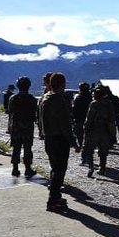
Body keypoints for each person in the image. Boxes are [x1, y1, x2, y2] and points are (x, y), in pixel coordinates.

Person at [38, 72, 79, 212]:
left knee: (55, 167)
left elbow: (40, 119)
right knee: (60, 170)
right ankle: (53, 200)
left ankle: (56, 196)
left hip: (49, 137)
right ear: (62, 84)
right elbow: (65, 124)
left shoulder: (44, 98)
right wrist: (73, 142)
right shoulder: (59, 100)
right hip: (59, 139)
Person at [82, 85, 115, 177]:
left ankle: (91, 167)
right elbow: (112, 117)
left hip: (93, 130)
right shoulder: (109, 104)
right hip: (105, 130)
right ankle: (102, 168)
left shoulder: (94, 104)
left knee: (89, 149)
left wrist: (86, 128)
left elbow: (89, 118)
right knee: (103, 151)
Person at [8, 77, 37, 177]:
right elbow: (35, 112)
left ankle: (15, 169)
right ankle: (28, 169)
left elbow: (10, 112)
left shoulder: (13, 98)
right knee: (27, 147)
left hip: (16, 126)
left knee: (16, 147)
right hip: (28, 126)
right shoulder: (32, 99)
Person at [73, 82, 91, 164]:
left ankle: (84, 158)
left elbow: (74, 110)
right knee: (88, 140)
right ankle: (87, 156)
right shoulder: (91, 98)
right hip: (89, 122)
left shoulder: (78, 98)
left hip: (79, 121)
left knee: (81, 139)